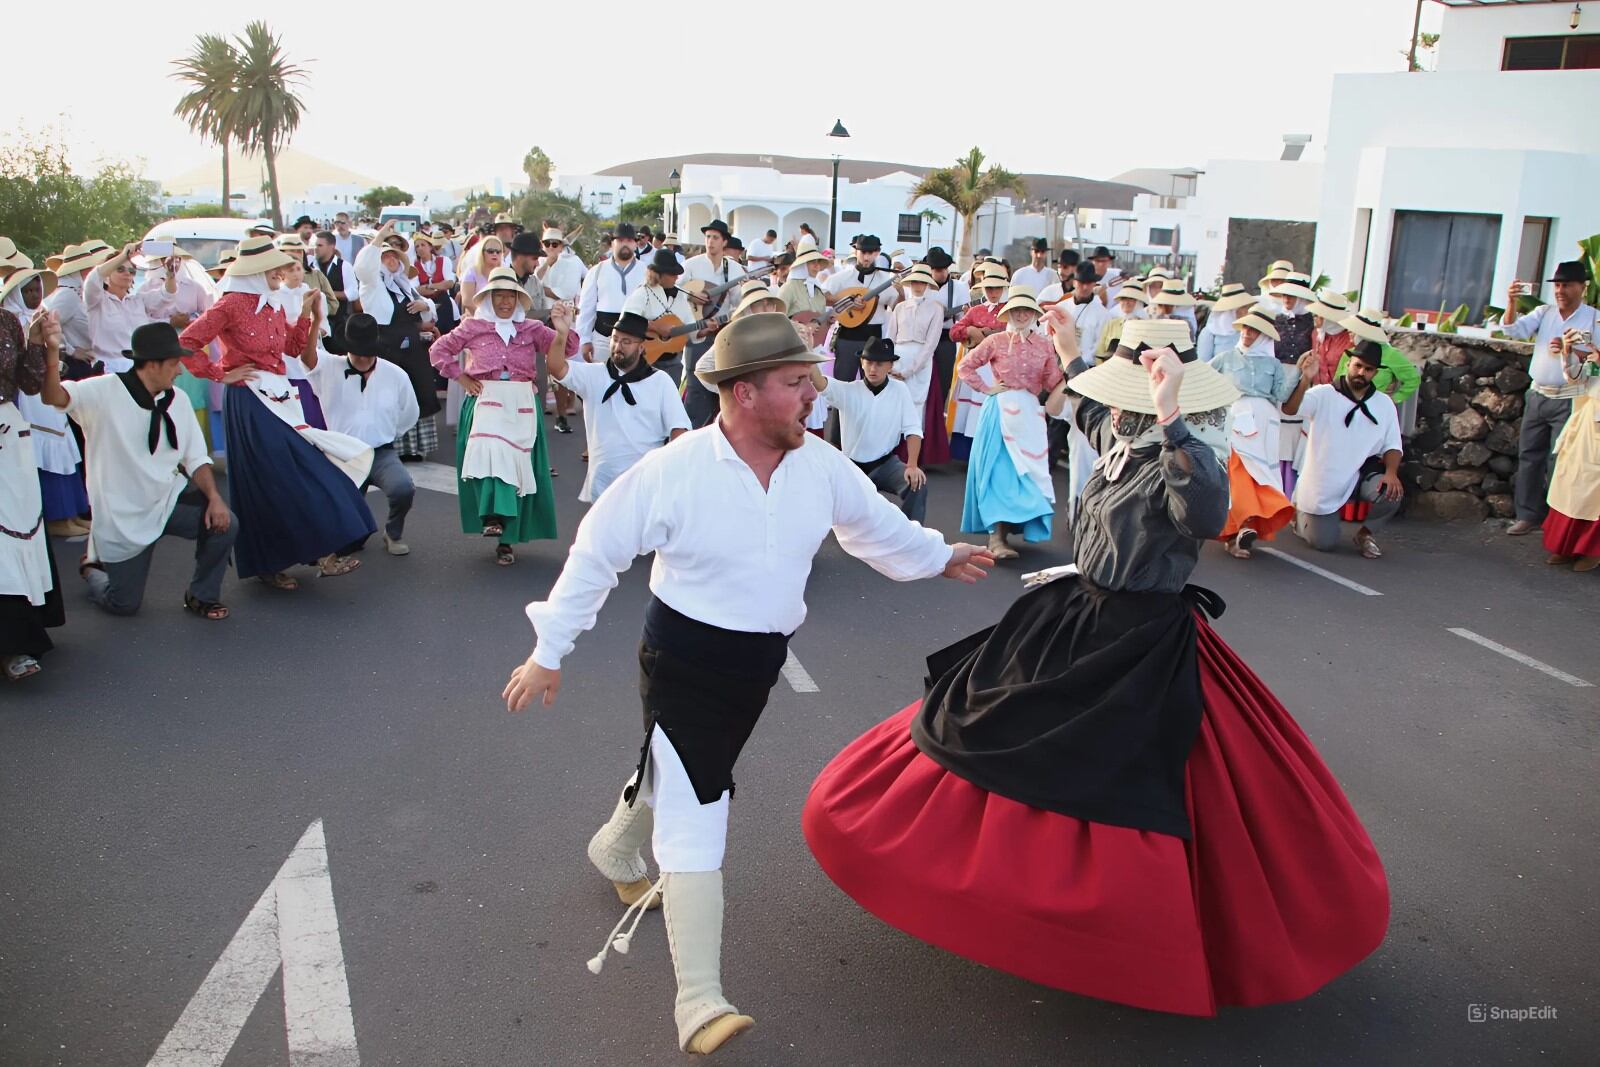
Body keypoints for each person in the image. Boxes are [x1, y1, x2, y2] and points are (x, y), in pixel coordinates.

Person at [804, 317, 1389, 1019]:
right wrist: (1077, 350)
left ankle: (1123, 934)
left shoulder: (1181, 455)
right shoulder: (1121, 437)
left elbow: (1206, 512)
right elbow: (1084, 409)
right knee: (998, 731)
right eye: (1119, 394)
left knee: (1123, 775)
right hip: (1077, 616)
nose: (1114, 406)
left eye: (1130, 396)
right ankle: (1005, 894)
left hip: (1144, 639)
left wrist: (1172, 417)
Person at [503, 312, 992, 1055]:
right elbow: (596, 553)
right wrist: (549, 649)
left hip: (758, 664)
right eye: (796, 382)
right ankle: (698, 1000)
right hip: (684, 660)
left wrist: (938, 554)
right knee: (700, 804)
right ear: (742, 391)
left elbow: (873, 529)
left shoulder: (820, 464)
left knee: (684, 768)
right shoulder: (674, 471)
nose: (813, 393)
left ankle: (614, 846)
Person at [177, 235, 374, 588]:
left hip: (278, 396)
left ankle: (314, 551)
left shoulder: (272, 304)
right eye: (275, 269)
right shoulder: (231, 304)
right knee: (274, 477)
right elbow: (185, 343)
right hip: (250, 399)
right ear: (256, 271)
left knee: (304, 469)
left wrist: (312, 317)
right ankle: (274, 561)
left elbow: (294, 349)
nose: (281, 274)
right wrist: (220, 372)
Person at [37, 322, 238, 620]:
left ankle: (201, 595)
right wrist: (52, 351)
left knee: (225, 523)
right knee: (124, 604)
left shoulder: (178, 401)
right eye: (173, 364)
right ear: (152, 365)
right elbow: (53, 397)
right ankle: (93, 570)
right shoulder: (103, 390)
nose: (180, 371)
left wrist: (214, 498)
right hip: (122, 516)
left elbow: (196, 457)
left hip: (167, 500)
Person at [427, 267, 575, 566]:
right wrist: (461, 377)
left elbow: (568, 348)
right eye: (499, 297)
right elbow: (438, 351)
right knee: (491, 456)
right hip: (486, 399)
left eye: (511, 297)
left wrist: (562, 328)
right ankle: (491, 516)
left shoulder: (531, 328)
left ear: (519, 300)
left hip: (521, 401)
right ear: (488, 298)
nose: (505, 303)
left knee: (519, 468)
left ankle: (506, 540)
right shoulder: (473, 326)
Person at [958, 285, 1062, 559]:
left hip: (1028, 412)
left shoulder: (1045, 344)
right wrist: (987, 388)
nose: (1021, 314)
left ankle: (1015, 527)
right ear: (1008, 313)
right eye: (1015, 310)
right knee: (998, 471)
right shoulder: (996, 341)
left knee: (1026, 472)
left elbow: (1053, 381)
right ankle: (996, 538)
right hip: (999, 410)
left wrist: (1072, 371)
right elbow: (964, 367)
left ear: (1034, 313)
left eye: (1026, 310)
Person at [302, 314, 419, 555]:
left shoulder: (395, 375)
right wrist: (313, 319)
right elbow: (306, 356)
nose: (364, 358)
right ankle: (355, 532)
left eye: (368, 352)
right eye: (358, 352)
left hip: (380, 452)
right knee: (348, 540)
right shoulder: (328, 367)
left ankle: (393, 533)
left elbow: (410, 412)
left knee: (403, 487)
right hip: (343, 454)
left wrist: (387, 433)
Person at [546, 310, 689, 503]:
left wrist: (672, 472)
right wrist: (561, 334)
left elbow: (679, 429)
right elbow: (557, 368)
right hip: (602, 483)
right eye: (615, 339)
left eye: (626, 342)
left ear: (641, 347)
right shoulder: (594, 375)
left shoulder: (660, 381)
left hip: (644, 483)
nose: (618, 346)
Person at [1499, 260, 1598, 536]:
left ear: (1582, 287)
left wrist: (1571, 351)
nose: (1561, 290)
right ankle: (1527, 515)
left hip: (1572, 398)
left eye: (1567, 285)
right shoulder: (1545, 313)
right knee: (1529, 456)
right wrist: (1511, 302)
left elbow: (1597, 362)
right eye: (1558, 285)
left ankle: (1557, 522)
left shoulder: (1593, 318)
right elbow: (1512, 330)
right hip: (1539, 393)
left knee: (1562, 463)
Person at [1282, 338, 1404, 559]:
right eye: (1358, 365)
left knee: (1392, 493)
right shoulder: (1323, 394)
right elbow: (1290, 409)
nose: (1361, 372)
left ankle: (1366, 534)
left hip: (1362, 473)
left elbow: (1393, 444)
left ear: (1375, 373)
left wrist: (1391, 473)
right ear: (1348, 364)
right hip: (1325, 478)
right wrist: (1305, 379)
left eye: (1368, 369)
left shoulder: (1384, 403)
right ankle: (1300, 513)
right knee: (1324, 544)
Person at [1209, 310, 1311, 559]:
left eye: (1253, 330)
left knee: (1260, 474)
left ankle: (1245, 528)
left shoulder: (1273, 364)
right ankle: (1237, 528)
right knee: (1236, 471)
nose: (1247, 333)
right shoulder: (1224, 359)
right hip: (1234, 418)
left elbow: (1281, 396)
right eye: (1245, 328)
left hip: (1265, 423)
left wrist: (1300, 373)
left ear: (1264, 336)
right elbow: (1205, 383)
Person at [0, 305, 64, 681]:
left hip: (9, 430)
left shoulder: (7, 320)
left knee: (18, 524)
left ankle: (18, 637)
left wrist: (44, 344)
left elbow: (29, 383)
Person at [810, 336, 928, 522]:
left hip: (885, 465)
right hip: (851, 468)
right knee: (823, 496)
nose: (873, 369)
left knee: (917, 484)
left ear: (890, 366)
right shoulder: (847, 390)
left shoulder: (900, 390)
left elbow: (913, 430)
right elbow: (818, 382)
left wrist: (912, 465)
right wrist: (806, 351)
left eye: (879, 364)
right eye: (869, 363)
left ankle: (912, 536)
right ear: (862, 363)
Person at [353, 225, 442, 460]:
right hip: (386, 346)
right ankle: (390, 445)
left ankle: (414, 447)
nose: (391, 259)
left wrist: (426, 306)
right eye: (386, 256)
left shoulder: (404, 285)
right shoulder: (372, 284)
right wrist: (380, 236)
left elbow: (427, 312)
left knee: (417, 391)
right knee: (389, 395)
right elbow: (363, 268)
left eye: (394, 255)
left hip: (411, 346)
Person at [1541, 327, 1600, 572]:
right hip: (1587, 420)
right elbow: (1576, 378)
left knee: (1594, 491)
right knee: (1572, 483)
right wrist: (1568, 352)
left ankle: (1591, 551)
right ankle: (1565, 546)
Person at [680, 220, 743, 427]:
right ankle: (691, 432)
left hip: (724, 333)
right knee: (696, 383)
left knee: (721, 385)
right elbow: (675, 293)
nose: (710, 241)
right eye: (708, 236)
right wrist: (691, 295)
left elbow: (739, 304)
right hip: (697, 333)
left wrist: (725, 319)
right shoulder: (691, 266)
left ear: (724, 242)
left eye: (715, 237)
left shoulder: (733, 269)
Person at [946, 265, 1010, 458]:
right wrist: (970, 331)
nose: (993, 292)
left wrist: (989, 336)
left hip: (996, 366)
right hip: (976, 365)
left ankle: (990, 451)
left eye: (997, 288)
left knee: (991, 407)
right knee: (972, 407)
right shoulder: (976, 310)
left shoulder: (1009, 311)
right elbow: (953, 332)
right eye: (989, 288)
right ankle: (967, 452)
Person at [86, 243, 179, 373]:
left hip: (138, 368)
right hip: (107, 369)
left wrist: (171, 274)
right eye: (120, 269)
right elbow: (93, 279)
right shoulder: (97, 301)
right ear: (108, 274)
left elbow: (167, 296)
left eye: (131, 271)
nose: (127, 274)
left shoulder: (138, 300)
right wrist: (124, 255)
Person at [621, 249, 705, 387]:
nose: (677, 278)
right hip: (645, 360)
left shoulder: (679, 296)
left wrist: (704, 330)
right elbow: (628, 320)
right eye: (672, 274)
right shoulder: (643, 293)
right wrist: (656, 327)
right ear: (659, 274)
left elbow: (691, 329)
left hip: (673, 363)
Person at [822, 234, 898, 386]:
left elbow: (896, 306)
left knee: (871, 384)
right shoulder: (841, 277)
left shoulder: (885, 279)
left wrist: (901, 292)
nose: (866, 257)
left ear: (877, 253)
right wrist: (846, 300)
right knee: (843, 381)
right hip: (847, 336)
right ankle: (839, 411)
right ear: (856, 251)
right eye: (863, 252)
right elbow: (823, 296)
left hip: (873, 337)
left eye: (871, 253)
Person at [885, 264, 943, 431]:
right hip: (898, 356)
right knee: (894, 401)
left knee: (916, 403)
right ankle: (892, 444)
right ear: (910, 284)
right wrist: (890, 364)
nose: (918, 286)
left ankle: (913, 448)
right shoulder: (900, 307)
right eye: (915, 282)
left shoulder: (936, 309)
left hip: (921, 359)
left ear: (927, 285)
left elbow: (931, 343)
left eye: (922, 282)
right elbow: (890, 337)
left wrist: (911, 369)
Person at [1334, 310, 1421, 403]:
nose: (1349, 331)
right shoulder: (1349, 353)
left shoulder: (1390, 354)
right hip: (1343, 404)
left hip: (1371, 407)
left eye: (1354, 329)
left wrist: (1394, 399)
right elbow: (1337, 380)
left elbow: (1413, 379)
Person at [314, 231, 357, 351]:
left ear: (332, 246)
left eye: (320, 245)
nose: (316, 249)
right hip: (316, 323)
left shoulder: (344, 266)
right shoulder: (312, 266)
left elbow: (353, 293)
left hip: (338, 323)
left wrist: (327, 293)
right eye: (315, 245)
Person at [411, 231, 459, 335]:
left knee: (446, 333)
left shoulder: (444, 260)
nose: (420, 248)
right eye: (417, 246)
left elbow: (449, 283)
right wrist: (439, 285)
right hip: (425, 304)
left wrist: (429, 286)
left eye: (423, 245)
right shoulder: (414, 266)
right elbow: (416, 290)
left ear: (430, 247)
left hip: (443, 302)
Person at [1196, 283, 1256, 363]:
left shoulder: (1248, 331)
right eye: (1243, 307)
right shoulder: (1210, 333)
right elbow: (1203, 363)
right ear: (1232, 310)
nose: (1247, 311)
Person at [1306, 289, 1356, 384]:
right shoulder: (1316, 334)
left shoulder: (1350, 339)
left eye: (1319, 315)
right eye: (1315, 315)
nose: (1315, 318)